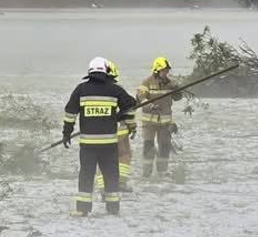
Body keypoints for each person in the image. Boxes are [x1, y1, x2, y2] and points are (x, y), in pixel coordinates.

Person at [62, 57, 138, 216]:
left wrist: (66, 133)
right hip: (109, 144)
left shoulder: (81, 89)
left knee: (86, 175)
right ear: (106, 71)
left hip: (88, 145)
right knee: (111, 175)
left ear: (90, 71)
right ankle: (113, 208)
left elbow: (70, 113)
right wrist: (121, 116)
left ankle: (82, 209)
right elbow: (131, 104)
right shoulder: (114, 90)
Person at [137, 56, 184, 178]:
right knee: (148, 146)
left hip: (165, 122)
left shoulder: (170, 83)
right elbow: (140, 99)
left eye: (167, 70)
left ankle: (162, 172)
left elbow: (177, 98)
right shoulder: (146, 82)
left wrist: (178, 90)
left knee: (164, 147)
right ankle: (146, 173)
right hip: (149, 122)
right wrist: (151, 106)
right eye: (163, 70)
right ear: (156, 70)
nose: (166, 72)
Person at [95, 60, 136, 196]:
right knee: (124, 154)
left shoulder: (91, 90)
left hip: (96, 132)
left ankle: (103, 188)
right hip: (117, 130)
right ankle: (120, 184)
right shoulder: (117, 89)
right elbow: (129, 107)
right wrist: (131, 125)